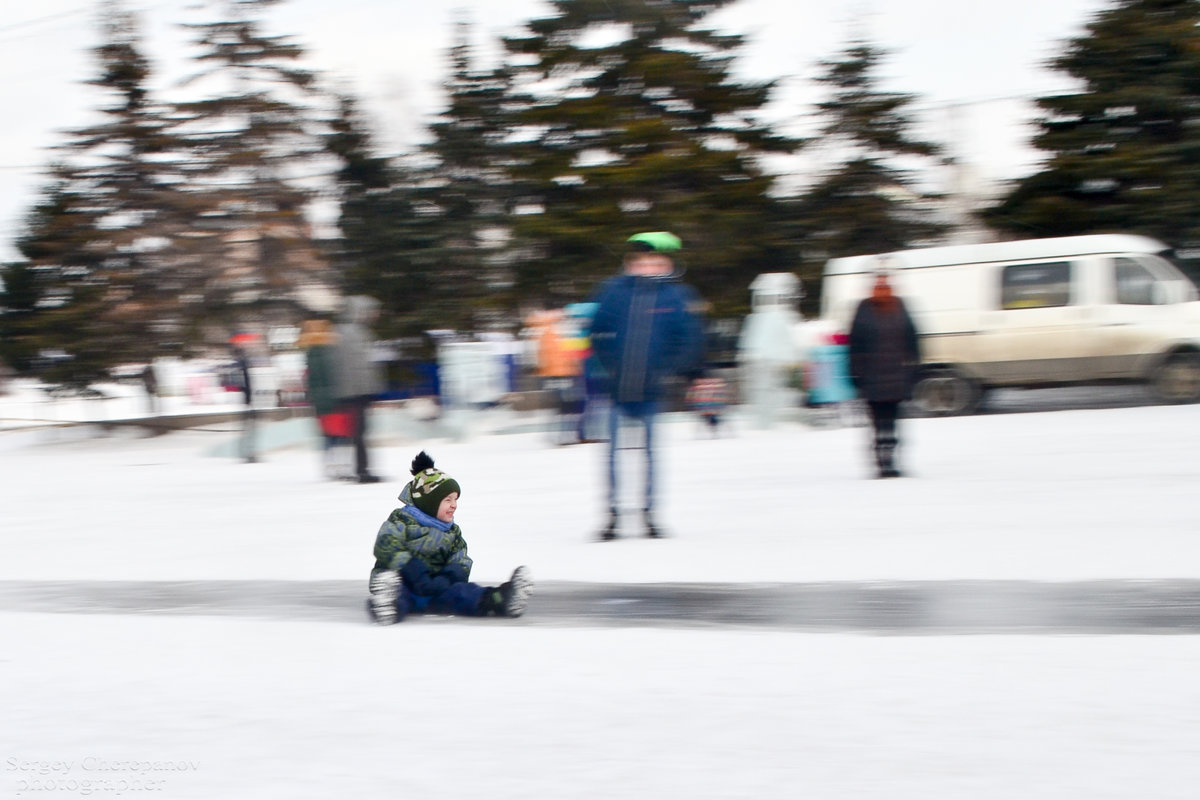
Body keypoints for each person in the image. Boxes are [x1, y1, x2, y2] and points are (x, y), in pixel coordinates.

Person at [588, 231, 705, 540]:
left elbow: (688, 339)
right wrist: (609, 366)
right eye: (642, 261)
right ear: (631, 264)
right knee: (612, 455)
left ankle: (650, 514)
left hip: (652, 390)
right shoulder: (613, 292)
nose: (649, 267)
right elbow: (597, 331)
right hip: (617, 389)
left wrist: (668, 371)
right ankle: (612, 515)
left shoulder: (677, 296)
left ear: (666, 264)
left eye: (656, 261)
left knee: (652, 455)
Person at [366, 451, 534, 625]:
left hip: (437, 589)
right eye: (448, 500)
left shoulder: (452, 532)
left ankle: (503, 599)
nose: (454, 505)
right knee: (398, 594)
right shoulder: (402, 521)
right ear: (429, 502)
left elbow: (461, 559)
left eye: (455, 499)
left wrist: (448, 577)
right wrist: (411, 568)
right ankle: (386, 604)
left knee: (464, 593)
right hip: (405, 582)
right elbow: (385, 544)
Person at [847, 265, 921, 478]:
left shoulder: (900, 306)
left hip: (896, 376)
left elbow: (913, 337)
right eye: (878, 285)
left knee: (892, 423)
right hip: (871, 377)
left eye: (885, 284)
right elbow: (855, 344)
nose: (882, 288)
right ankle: (882, 462)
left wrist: (915, 366)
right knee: (879, 424)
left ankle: (891, 461)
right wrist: (855, 374)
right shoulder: (863, 308)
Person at [333, 296, 385, 484]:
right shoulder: (350, 333)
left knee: (359, 432)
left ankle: (361, 469)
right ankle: (361, 470)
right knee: (358, 432)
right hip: (355, 392)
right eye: (372, 310)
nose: (375, 314)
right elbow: (354, 366)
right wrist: (363, 390)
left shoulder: (357, 332)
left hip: (357, 391)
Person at [297, 319, 349, 480]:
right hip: (333, 398)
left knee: (327, 434)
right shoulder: (328, 354)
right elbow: (335, 377)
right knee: (338, 434)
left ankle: (330, 464)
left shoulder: (310, 354)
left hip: (319, 401)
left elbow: (310, 380)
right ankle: (338, 466)